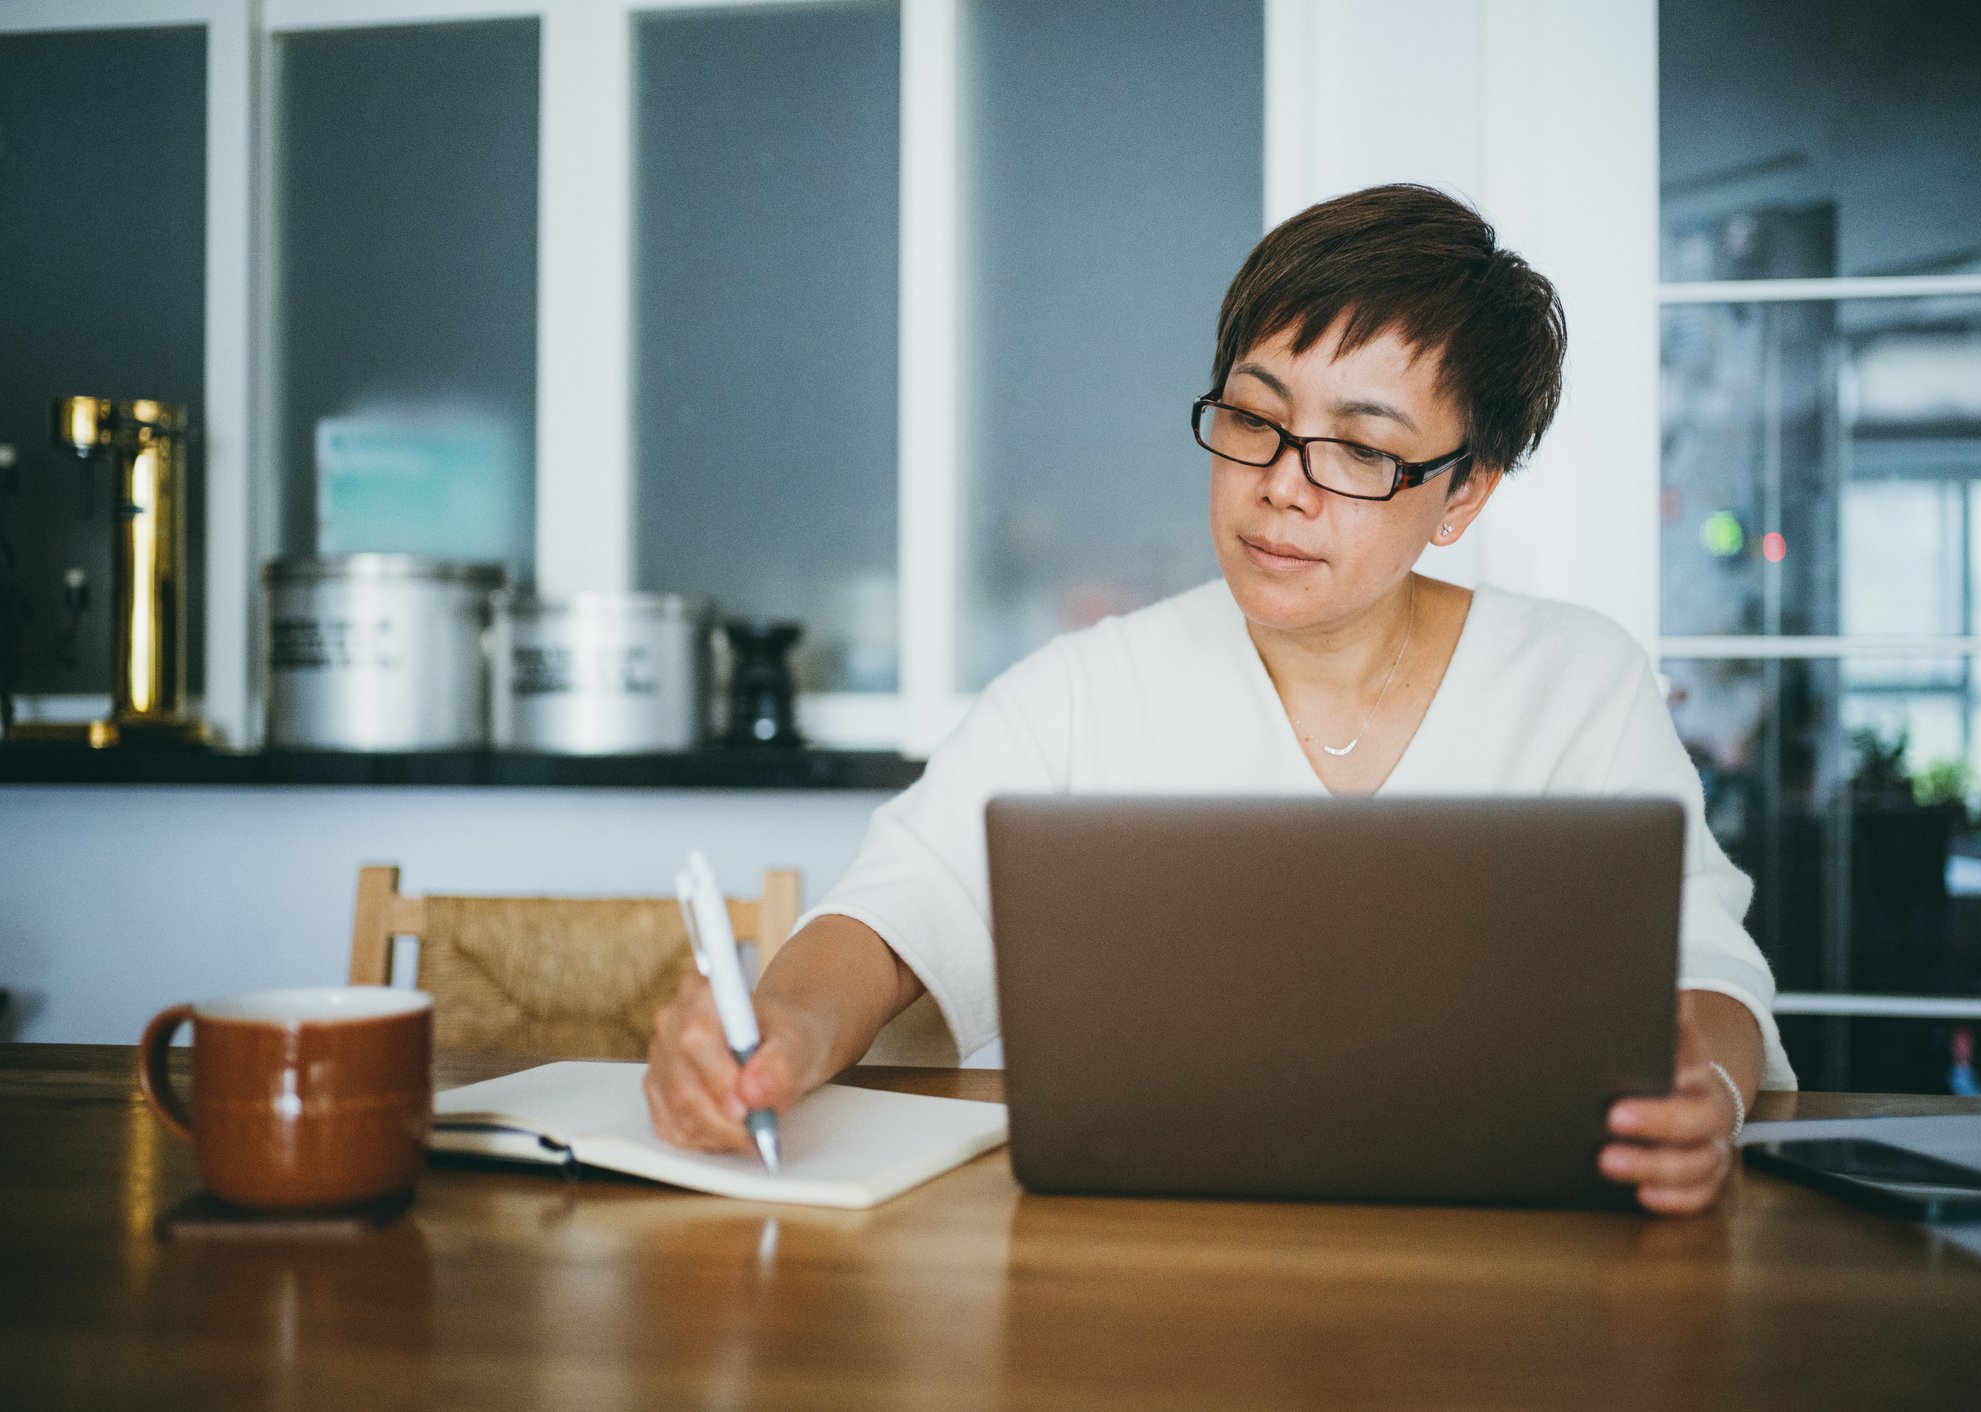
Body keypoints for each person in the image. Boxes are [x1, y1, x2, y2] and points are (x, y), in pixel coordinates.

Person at [647, 184, 1796, 1216]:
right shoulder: (1084, 689)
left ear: (1460, 493)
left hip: (1506, 1265)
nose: (1282, 486)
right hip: (1132, 1264)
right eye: (1254, 418)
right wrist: (781, 1034)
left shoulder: (1574, 680)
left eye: (1359, 448)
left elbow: (1707, 964)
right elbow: (894, 906)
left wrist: (1701, 1091)